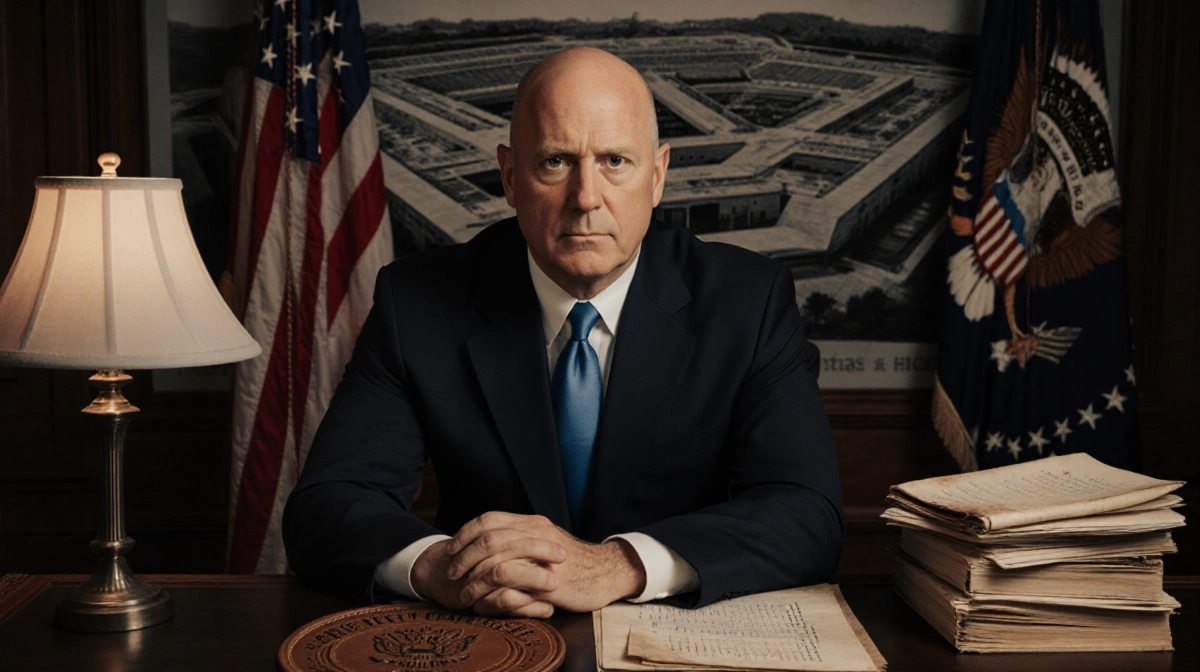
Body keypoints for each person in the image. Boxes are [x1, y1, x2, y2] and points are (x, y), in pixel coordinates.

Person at [282, 47, 842, 618]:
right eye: (555, 161)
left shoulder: (747, 302)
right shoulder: (417, 304)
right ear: (509, 176)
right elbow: (326, 507)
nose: (586, 198)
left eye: (615, 161)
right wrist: (441, 570)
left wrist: (617, 565)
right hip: (490, 629)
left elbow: (806, 513)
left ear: (658, 176)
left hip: (671, 631)